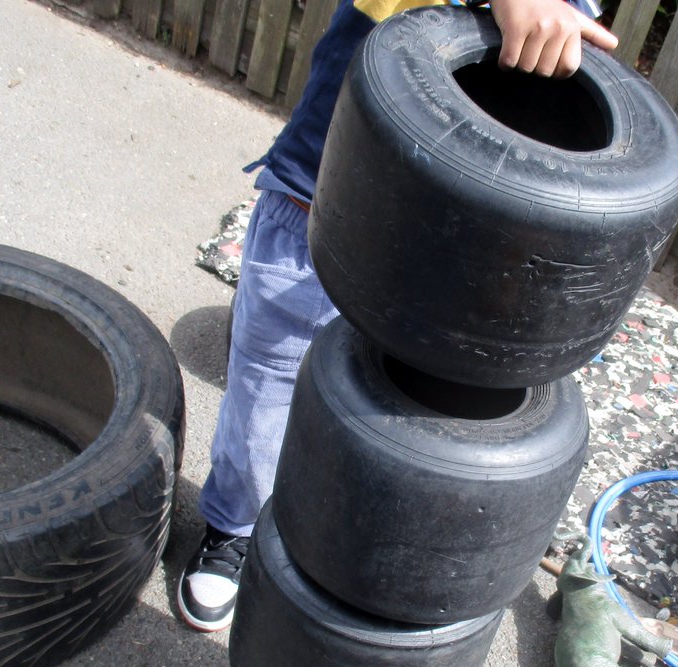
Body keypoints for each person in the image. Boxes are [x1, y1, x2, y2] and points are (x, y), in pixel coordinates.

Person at [177, 0, 618, 632]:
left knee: (409, 416)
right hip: (328, 190)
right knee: (270, 383)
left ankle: (350, 557)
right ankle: (234, 529)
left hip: (464, 237)